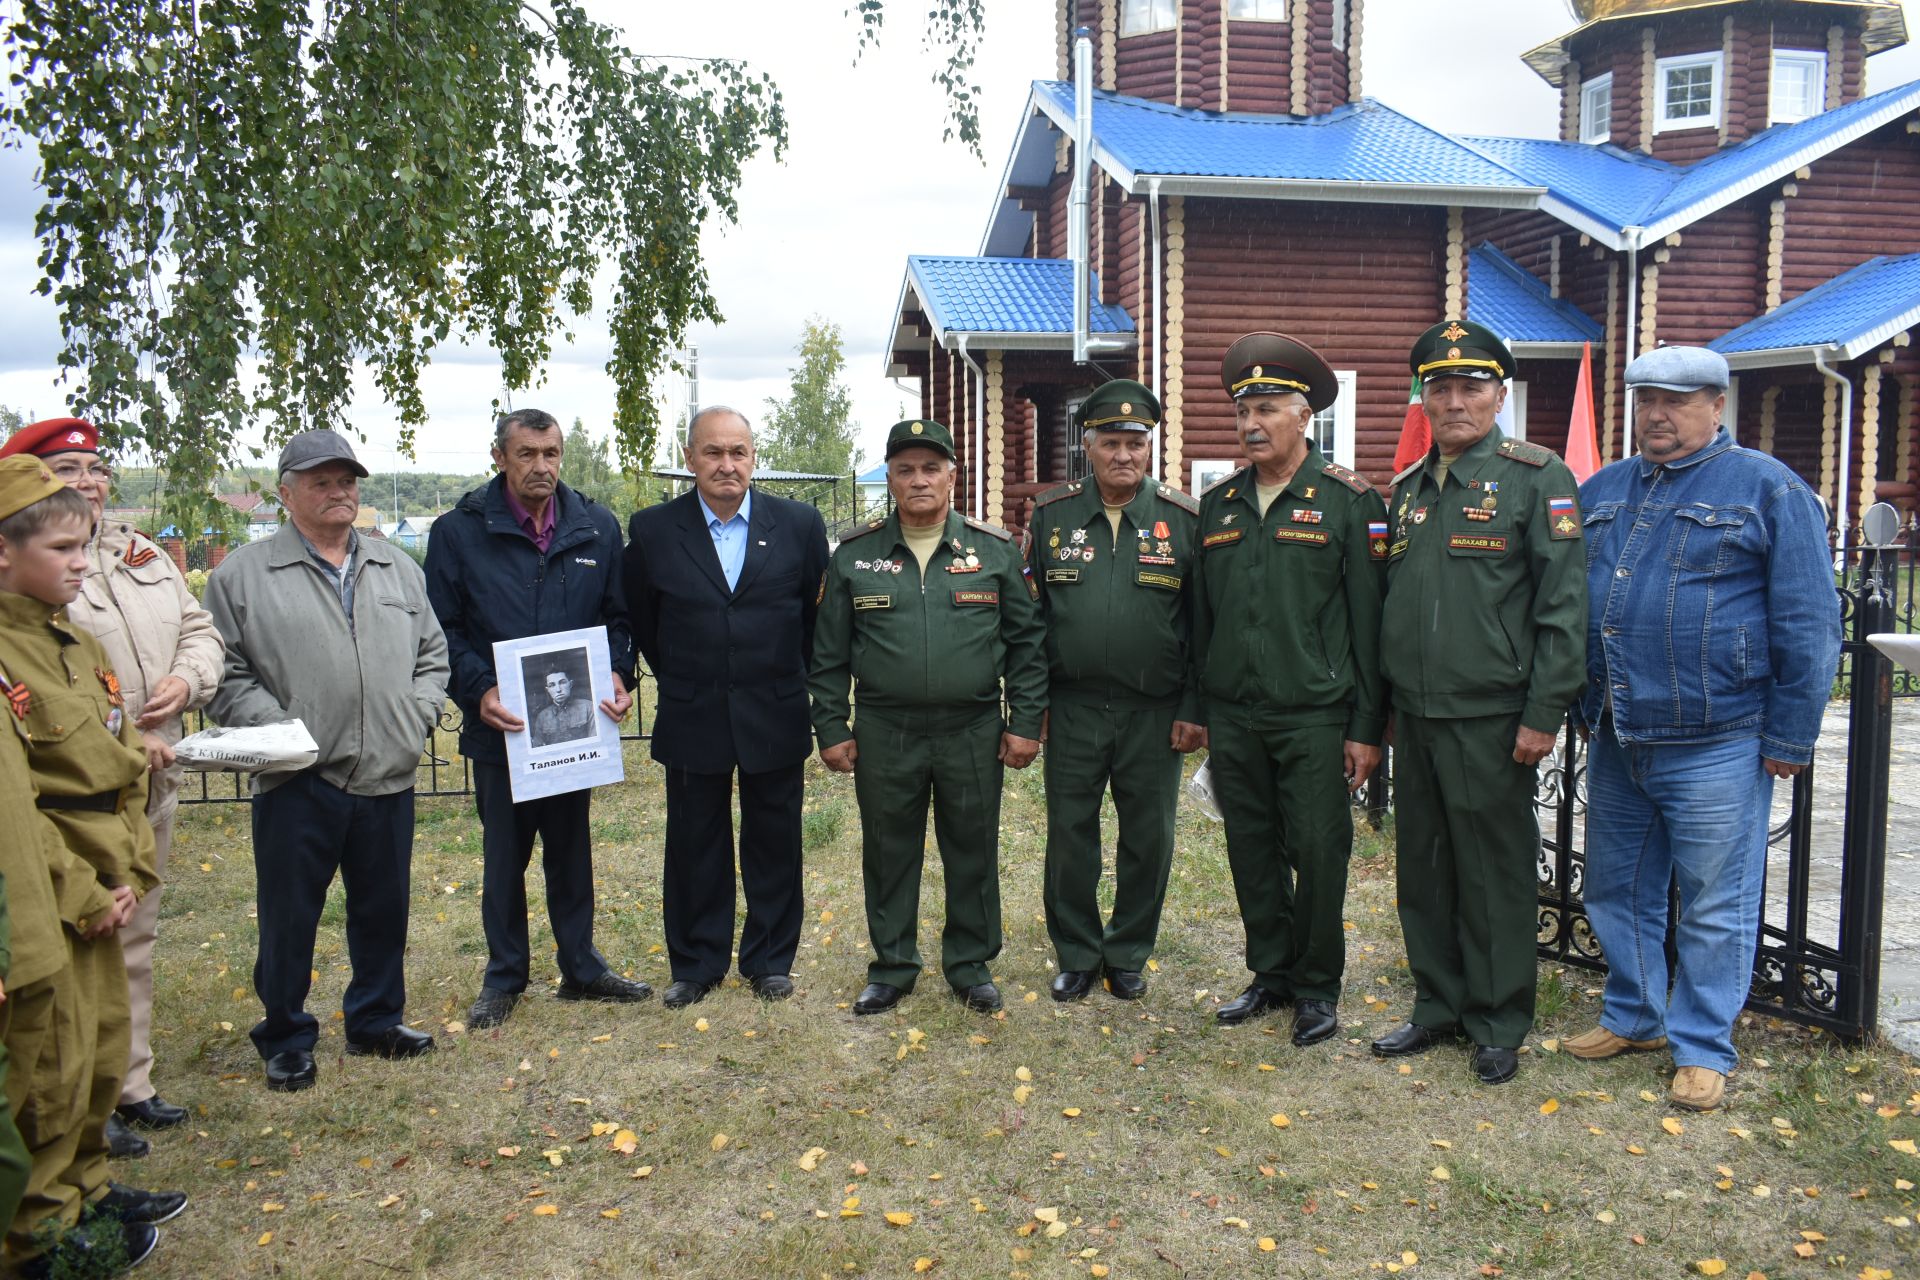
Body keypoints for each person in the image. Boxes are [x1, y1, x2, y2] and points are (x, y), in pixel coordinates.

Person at [1566, 346, 1839, 1111]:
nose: (1659, 413)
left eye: (1679, 401)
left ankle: (1703, 1046)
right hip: (1620, 732)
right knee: (1617, 886)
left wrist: (1789, 735)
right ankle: (1635, 1016)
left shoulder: (1767, 489)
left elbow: (1809, 622)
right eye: (1647, 398)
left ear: (1718, 406)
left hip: (1719, 737)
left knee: (1714, 900)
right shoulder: (1605, 489)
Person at [0, 418, 224, 1157]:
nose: (89, 482)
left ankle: (128, 1085)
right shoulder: (31, 575)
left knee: (134, 939)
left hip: (141, 784)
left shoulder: (140, 553)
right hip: (64, 803)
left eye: (96, 468)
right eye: (67, 469)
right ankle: (77, 1122)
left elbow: (200, 629)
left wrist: (185, 680)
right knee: (68, 961)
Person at [1371, 320, 1587, 1085]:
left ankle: (1497, 1019)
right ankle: (1437, 1005)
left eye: (1471, 387)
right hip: (1417, 718)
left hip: (1494, 717)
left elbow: (1563, 608)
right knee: (1424, 870)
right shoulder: (1406, 491)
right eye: (1440, 387)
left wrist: (1543, 712)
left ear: (1500, 395)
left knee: (1492, 873)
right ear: (1423, 397)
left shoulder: (1536, 478)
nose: (1454, 400)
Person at [205, 431, 449, 1092]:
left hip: (387, 773)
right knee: (289, 916)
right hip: (297, 778)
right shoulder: (242, 577)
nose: (340, 492)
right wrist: (281, 731)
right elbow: (221, 673)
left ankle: (376, 1020)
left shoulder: (396, 567)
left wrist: (418, 715)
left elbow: (433, 655)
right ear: (286, 494)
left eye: (347, 480)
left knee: (382, 908)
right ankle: (284, 1035)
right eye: (321, 482)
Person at [0, 457, 180, 1274]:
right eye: (66, 547)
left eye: (86, 545)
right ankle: (44, 1224)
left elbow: (97, 751)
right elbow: (25, 802)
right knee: (52, 1064)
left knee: (101, 1047)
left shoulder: (67, 635)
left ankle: (90, 1188)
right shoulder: (12, 654)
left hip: (108, 870)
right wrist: (84, 889)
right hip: (60, 889)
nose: (83, 560)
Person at [808, 419, 1047, 1016]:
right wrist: (832, 728)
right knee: (889, 849)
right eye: (906, 469)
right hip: (886, 730)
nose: (919, 480)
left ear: (952, 476)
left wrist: (1025, 721)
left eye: (931, 468)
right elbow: (828, 653)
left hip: (972, 728)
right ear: (889, 478)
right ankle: (892, 965)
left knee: (972, 847)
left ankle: (970, 964)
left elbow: (1027, 645)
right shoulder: (855, 556)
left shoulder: (992, 552)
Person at [1192, 335, 1388, 1045]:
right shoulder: (1218, 506)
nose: (1252, 422)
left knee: (1318, 850)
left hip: (1314, 715)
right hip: (1236, 715)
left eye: (1268, 408)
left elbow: (1369, 625)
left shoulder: (1347, 501)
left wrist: (1366, 727)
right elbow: (1202, 620)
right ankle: (1270, 974)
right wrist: (1203, 707)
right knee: (1250, 846)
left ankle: (1317, 987)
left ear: (1304, 417)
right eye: (1244, 408)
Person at [424, 409, 648, 1030]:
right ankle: (505, 977)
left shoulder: (595, 526)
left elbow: (618, 618)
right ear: (499, 456)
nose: (541, 466)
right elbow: (442, 630)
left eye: (551, 453)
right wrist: (478, 689)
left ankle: (581, 967)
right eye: (527, 454)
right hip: (503, 728)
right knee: (505, 856)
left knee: (572, 849)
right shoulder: (459, 532)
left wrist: (617, 672)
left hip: (575, 730)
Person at [623, 406, 829, 1009]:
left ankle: (769, 960)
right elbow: (645, 620)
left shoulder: (797, 524)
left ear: (753, 458)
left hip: (775, 708)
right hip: (694, 709)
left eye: (738, 452)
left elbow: (815, 620)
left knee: (775, 840)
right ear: (690, 460)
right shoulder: (655, 529)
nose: (726, 464)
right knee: (694, 843)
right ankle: (696, 963)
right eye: (713, 453)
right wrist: (692, 674)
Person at [1026, 381, 1203, 1003]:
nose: (1123, 455)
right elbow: (1034, 619)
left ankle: (1127, 951)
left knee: (1148, 836)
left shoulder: (1182, 520)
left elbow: (1200, 625)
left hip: (1154, 713)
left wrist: (1193, 708)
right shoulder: (1052, 515)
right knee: (1071, 834)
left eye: (1135, 443)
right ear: (1088, 446)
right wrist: (1035, 704)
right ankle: (1076, 951)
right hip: (1072, 708)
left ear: (1149, 448)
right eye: (1111, 443)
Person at [529, 668, 594, 748]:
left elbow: (595, 743)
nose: (558, 690)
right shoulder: (542, 717)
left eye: (562, 683)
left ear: (570, 684)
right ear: (547, 690)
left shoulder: (588, 707)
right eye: (552, 685)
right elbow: (538, 747)